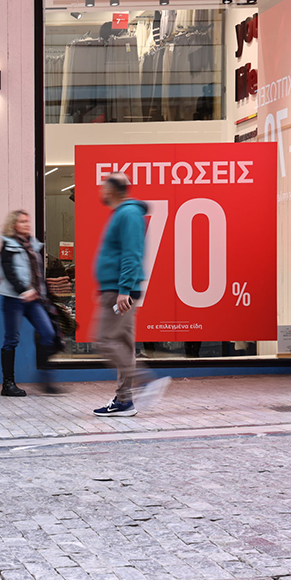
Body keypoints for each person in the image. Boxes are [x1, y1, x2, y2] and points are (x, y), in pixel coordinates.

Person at [92, 173, 170, 416]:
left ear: (111, 190)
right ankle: (124, 401)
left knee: (103, 340)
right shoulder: (124, 213)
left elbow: (132, 253)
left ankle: (146, 381)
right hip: (117, 289)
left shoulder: (128, 214)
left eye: (104, 187)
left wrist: (123, 290)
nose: (101, 191)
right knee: (124, 346)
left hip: (119, 291)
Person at [0, 210, 60, 396]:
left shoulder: (33, 245)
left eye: (27, 221)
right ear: (14, 225)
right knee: (12, 339)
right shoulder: (8, 246)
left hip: (34, 299)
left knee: (48, 333)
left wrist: (45, 294)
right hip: (13, 299)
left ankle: (45, 379)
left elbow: (37, 273)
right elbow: (7, 272)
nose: (26, 224)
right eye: (22, 221)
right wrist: (23, 290)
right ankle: (8, 384)